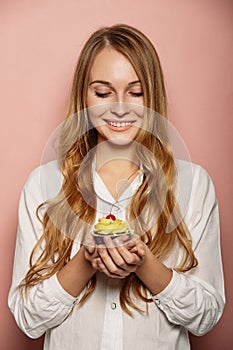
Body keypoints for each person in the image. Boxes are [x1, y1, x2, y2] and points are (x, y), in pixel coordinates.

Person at [8, 24, 225, 350]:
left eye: (136, 92)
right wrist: (84, 262)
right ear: (84, 95)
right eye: (103, 92)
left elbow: (206, 316)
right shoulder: (43, 185)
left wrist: (146, 264)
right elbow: (28, 320)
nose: (120, 107)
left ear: (153, 96)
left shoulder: (194, 186)